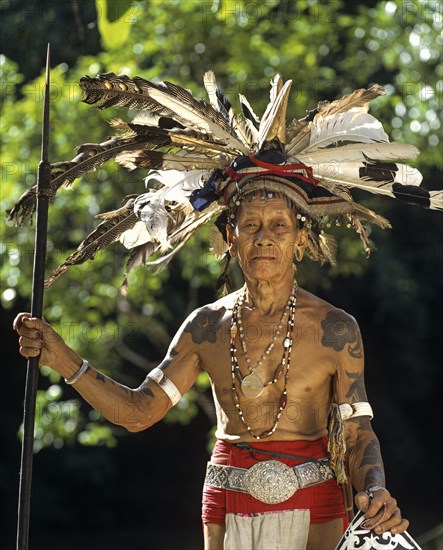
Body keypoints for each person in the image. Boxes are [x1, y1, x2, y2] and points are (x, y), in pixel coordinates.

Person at [11, 71, 439, 550]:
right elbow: (138, 412)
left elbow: (358, 429)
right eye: (250, 224)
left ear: (301, 241)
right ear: (230, 239)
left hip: (320, 500)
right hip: (228, 502)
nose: (264, 236)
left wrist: (376, 489)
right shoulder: (205, 328)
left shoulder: (336, 330)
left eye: (279, 225)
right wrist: (62, 358)